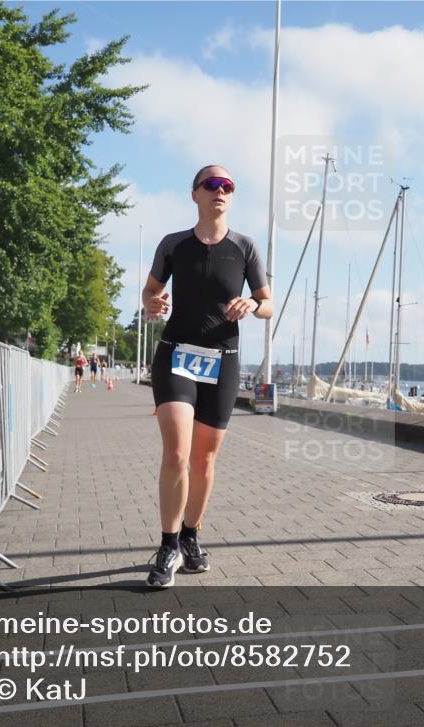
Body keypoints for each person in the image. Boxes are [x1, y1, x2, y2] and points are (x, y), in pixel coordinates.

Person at [141, 164, 272, 588]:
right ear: (194, 194)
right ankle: (167, 545)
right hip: (177, 354)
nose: (220, 190)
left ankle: (191, 535)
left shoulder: (245, 247)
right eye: (211, 184)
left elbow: (268, 303)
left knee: (204, 459)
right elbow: (149, 291)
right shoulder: (173, 244)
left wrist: (253, 306)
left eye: (228, 185)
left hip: (224, 358)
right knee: (177, 453)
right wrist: (152, 304)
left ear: (231, 197)